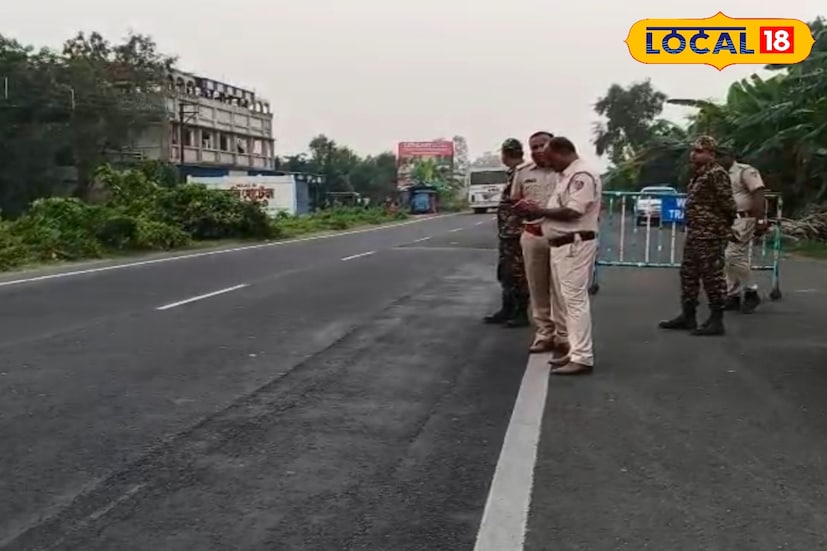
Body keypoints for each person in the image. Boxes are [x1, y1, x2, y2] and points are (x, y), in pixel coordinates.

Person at [515, 136, 601, 376]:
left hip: (574, 244)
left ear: (563, 153)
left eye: (552, 160)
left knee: (574, 303)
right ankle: (575, 352)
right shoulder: (567, 174)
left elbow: (574, 211)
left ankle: (582, 357)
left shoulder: (581, 175)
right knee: (566, 301)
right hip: (562, 245)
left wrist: (538, 210)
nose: (550, 166)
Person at [659, 136, 736, 336]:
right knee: (688, 274)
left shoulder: (716, 174)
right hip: (696, 232)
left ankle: (716, 319)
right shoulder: (698, 174)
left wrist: (721, 227)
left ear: (711, 153)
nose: (694, 154)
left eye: (700, 150)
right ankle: (688, 315)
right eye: (693, 150)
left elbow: (728, 205)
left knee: (712, 276)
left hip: (710, 234)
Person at [510, 131, 568, 356]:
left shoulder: (567, 172)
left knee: (561, 289)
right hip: (533, 236)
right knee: (537, 288)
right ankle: (544, 334)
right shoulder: (522, 173)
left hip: (560, 237)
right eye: (533, 147)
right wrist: (521, 207)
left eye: (541, 146)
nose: (536, 150)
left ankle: (564, 336)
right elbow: (514, 200)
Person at [483, 138, 530, 327]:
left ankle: (520, 314)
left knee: (517, 274)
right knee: (506, 272)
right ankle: (507, 309)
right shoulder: (514, 173)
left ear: (504, 154)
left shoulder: (522, 173)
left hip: (516, 232)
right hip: (508, 233)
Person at [717, 149, 767, 313]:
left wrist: (760, 219)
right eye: (717, 156)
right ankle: (733, 294)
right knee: (726, 259)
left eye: (722, 155)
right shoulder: (718, 174)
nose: (719, 159)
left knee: (733, 255)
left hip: (743, 219)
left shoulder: (745, 171)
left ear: (731, 156)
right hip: (726, 219)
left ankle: (751, 290)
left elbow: (758, 193)